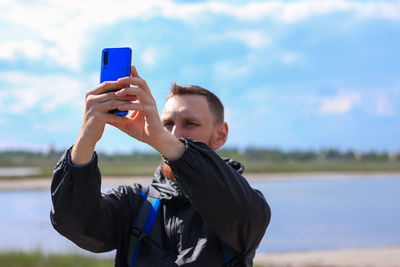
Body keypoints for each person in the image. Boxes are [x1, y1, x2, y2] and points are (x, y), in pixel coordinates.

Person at [50, 66, 271, 267]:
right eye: (167, 124)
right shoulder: (135, 204)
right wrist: (86, 140)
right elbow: (74, 222)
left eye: (190, 124)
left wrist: (165, 142)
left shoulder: (244, 204)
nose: (174, 133)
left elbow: (243, 213)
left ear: (221, 134)